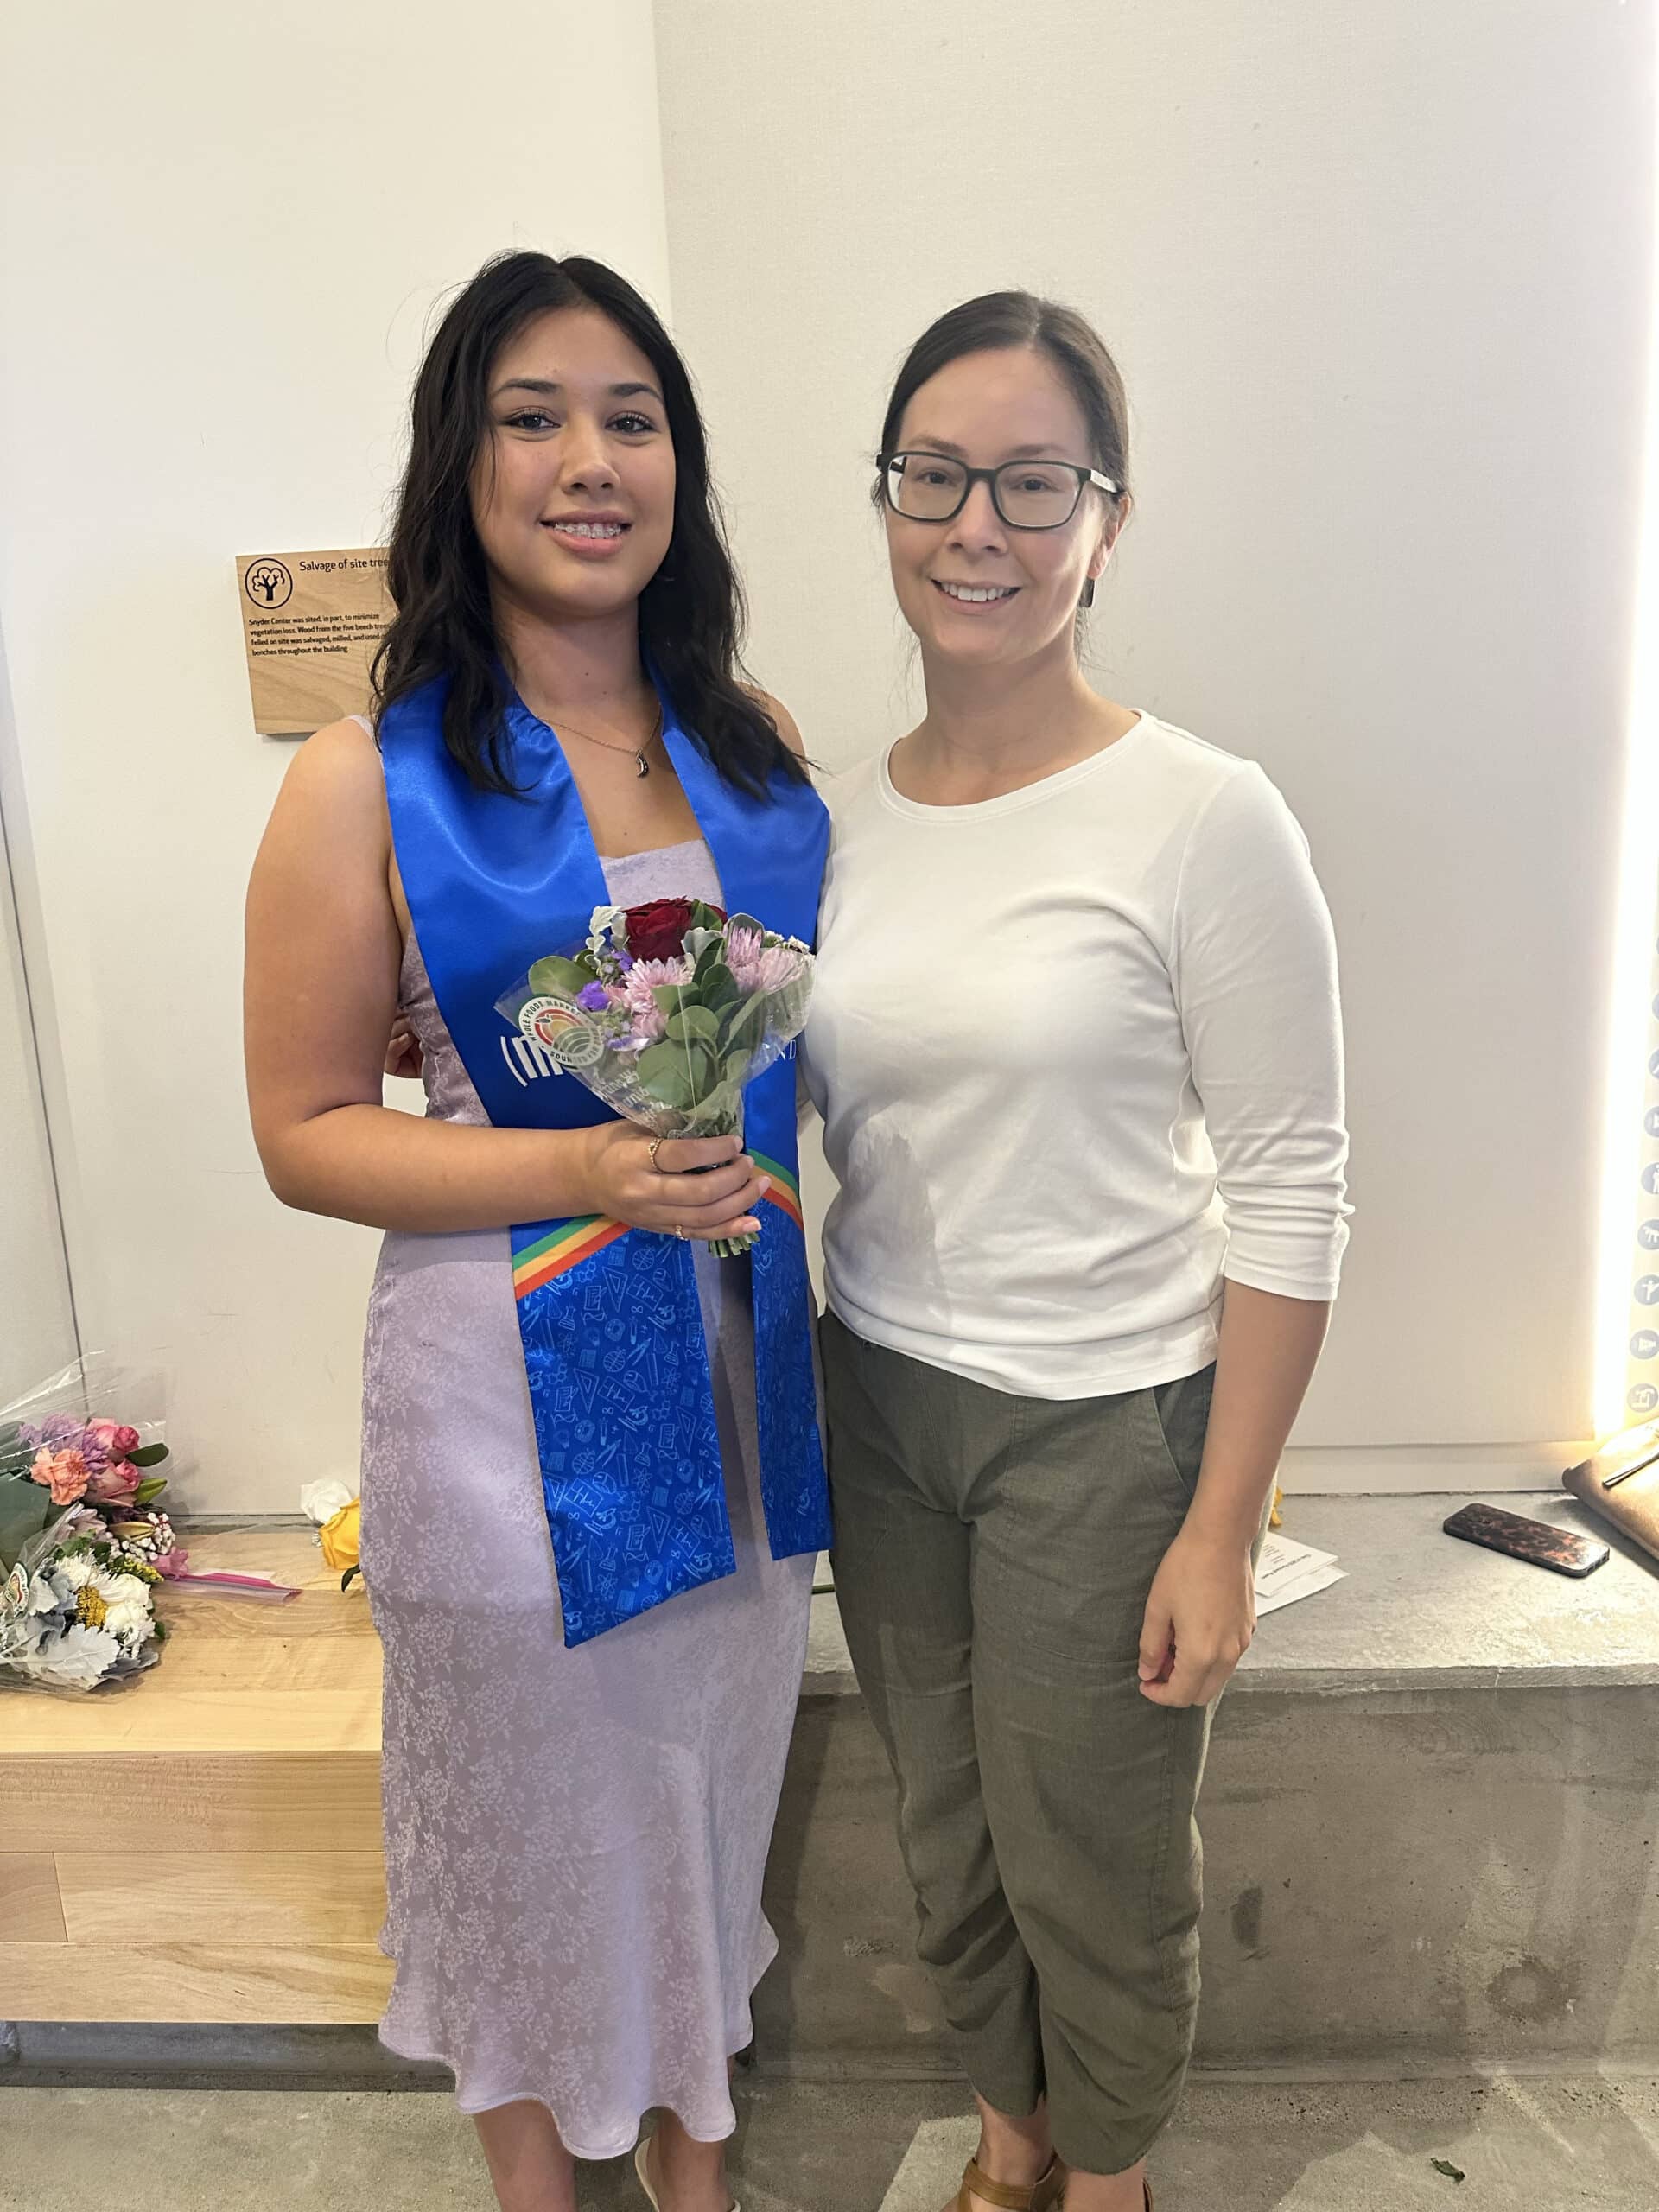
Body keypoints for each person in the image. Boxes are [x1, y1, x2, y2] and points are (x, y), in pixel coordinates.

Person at [245, 249, 830, 2212]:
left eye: (632, 418)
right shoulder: (365, 780)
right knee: (532, 1821)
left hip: (743, 1384)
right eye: (533, 416)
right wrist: (572, 1171)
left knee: (693, 1801)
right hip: (499, 1406)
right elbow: (305, 1131)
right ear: (461, 466)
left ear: (682, 466)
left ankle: (702, 2161)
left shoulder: (753, 748)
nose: (590, 460)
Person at [802, 292, 1351, 2212]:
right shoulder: (831, 824)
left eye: (1035, 481)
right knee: (949, 1835)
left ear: (1108, 521)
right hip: (877, 1400)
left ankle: (1107, 2175)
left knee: (1093, 1854)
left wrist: (1223, 1519)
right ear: (884, 502)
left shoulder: (1206, 817)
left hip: (1106, 1425)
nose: (979, 523)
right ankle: (1007, 2136)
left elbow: (1294, 1184)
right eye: (936, 474)